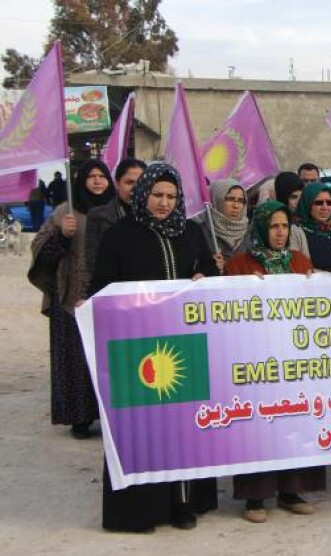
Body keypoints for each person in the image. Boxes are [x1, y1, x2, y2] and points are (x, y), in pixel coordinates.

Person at [89, 162, 219, 532]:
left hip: (185, 346)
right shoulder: (120, 235)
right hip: (136, 348)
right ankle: (140, 512)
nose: (164, 202)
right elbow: (101, 287)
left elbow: (209, 270)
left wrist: (204, 275)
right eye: (157, 195)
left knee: (184, 427)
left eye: (171, 196)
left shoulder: (191, 232)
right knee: (141, 430)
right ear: (143, 194)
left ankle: (184, 504)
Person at [226, 200, 327, 523]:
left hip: (295, 358)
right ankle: (255, 498)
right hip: (256, 359)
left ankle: (292, 491)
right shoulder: (239, 265)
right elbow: (225, 310)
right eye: (273, 226)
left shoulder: (299, 261)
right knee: (258, 425)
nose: (280, 233)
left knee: (295, 421)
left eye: (285, 226)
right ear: (260, 228)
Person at [28, 159, 116, 439]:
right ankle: (79, 418)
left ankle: (110, 417)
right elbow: (41, 254)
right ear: (80, 181)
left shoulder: (118, 212)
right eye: (91, 176)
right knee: (76, 359)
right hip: (71, 296)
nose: (97, 181)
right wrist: (63, 237)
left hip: (108, 295)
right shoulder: (64, 213)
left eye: (102, 176)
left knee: (109, 359)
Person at [84, 158, 146, 276]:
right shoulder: (98, 216)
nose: (135, 188)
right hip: (114, 282)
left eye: (141, 183)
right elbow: (92, 261)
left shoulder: (154, 215)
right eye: (129, 182)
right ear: (117, 183)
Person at [201, 179, 250, 266]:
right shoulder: (201, 232)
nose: (236, 206)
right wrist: (208, 266)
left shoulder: (249, 232)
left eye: (241, 201)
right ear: (216, 200)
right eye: (230, 199)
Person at [273, 171, 309, 255]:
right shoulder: (276, 222)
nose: (299, 202)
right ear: (283, 197)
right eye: (293, 197)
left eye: (301, 197)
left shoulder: (307, 220)